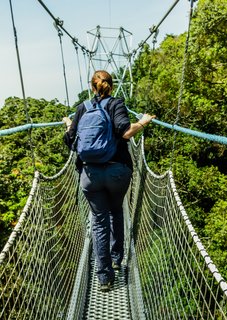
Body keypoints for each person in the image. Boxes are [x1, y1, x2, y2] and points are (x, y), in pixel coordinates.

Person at [62, 70, 155, 292]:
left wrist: (68, 123)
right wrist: (143, 122)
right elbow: (125, 132)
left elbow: (70, 139)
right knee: (116, 211)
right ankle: (116, 259)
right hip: (117, 172)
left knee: (99, 221)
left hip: (90, 175)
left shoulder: (82, 108)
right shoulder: (116, 104)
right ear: (110, 86)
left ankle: (104, 278)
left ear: (92, 87)